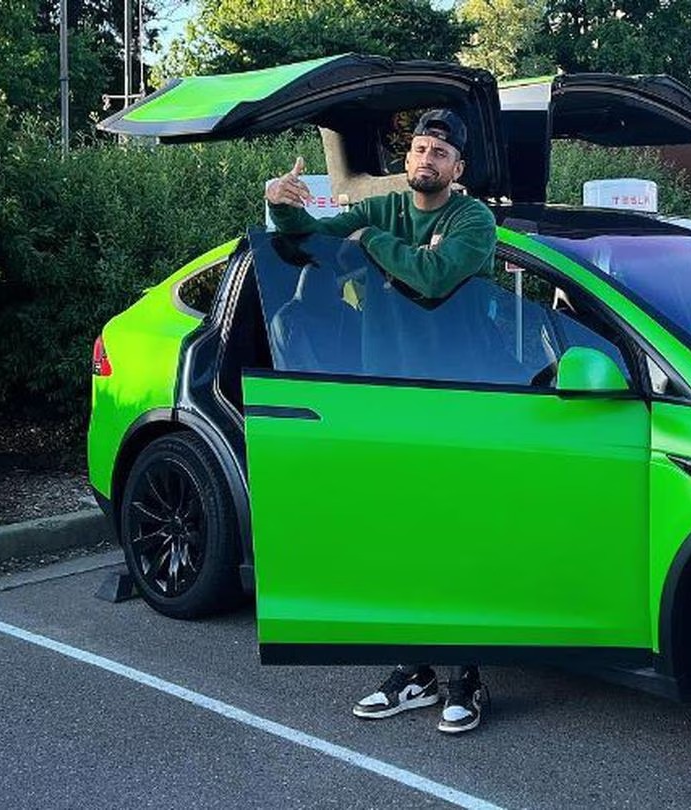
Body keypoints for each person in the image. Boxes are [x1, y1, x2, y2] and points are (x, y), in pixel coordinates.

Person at [263, 109, 495, 734]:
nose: (425, 160)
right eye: (418, 149)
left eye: (439, 153)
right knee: (399, 542)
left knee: (452, 542)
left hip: (456, 404)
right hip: (383, 404)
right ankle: (415, 671)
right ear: (408, 158)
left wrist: (373, 245)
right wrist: (280, 206)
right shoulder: (384, 210)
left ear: (457, 168)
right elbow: (310, 242)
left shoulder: (472, 219)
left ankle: (466, 679)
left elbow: (434, 277)